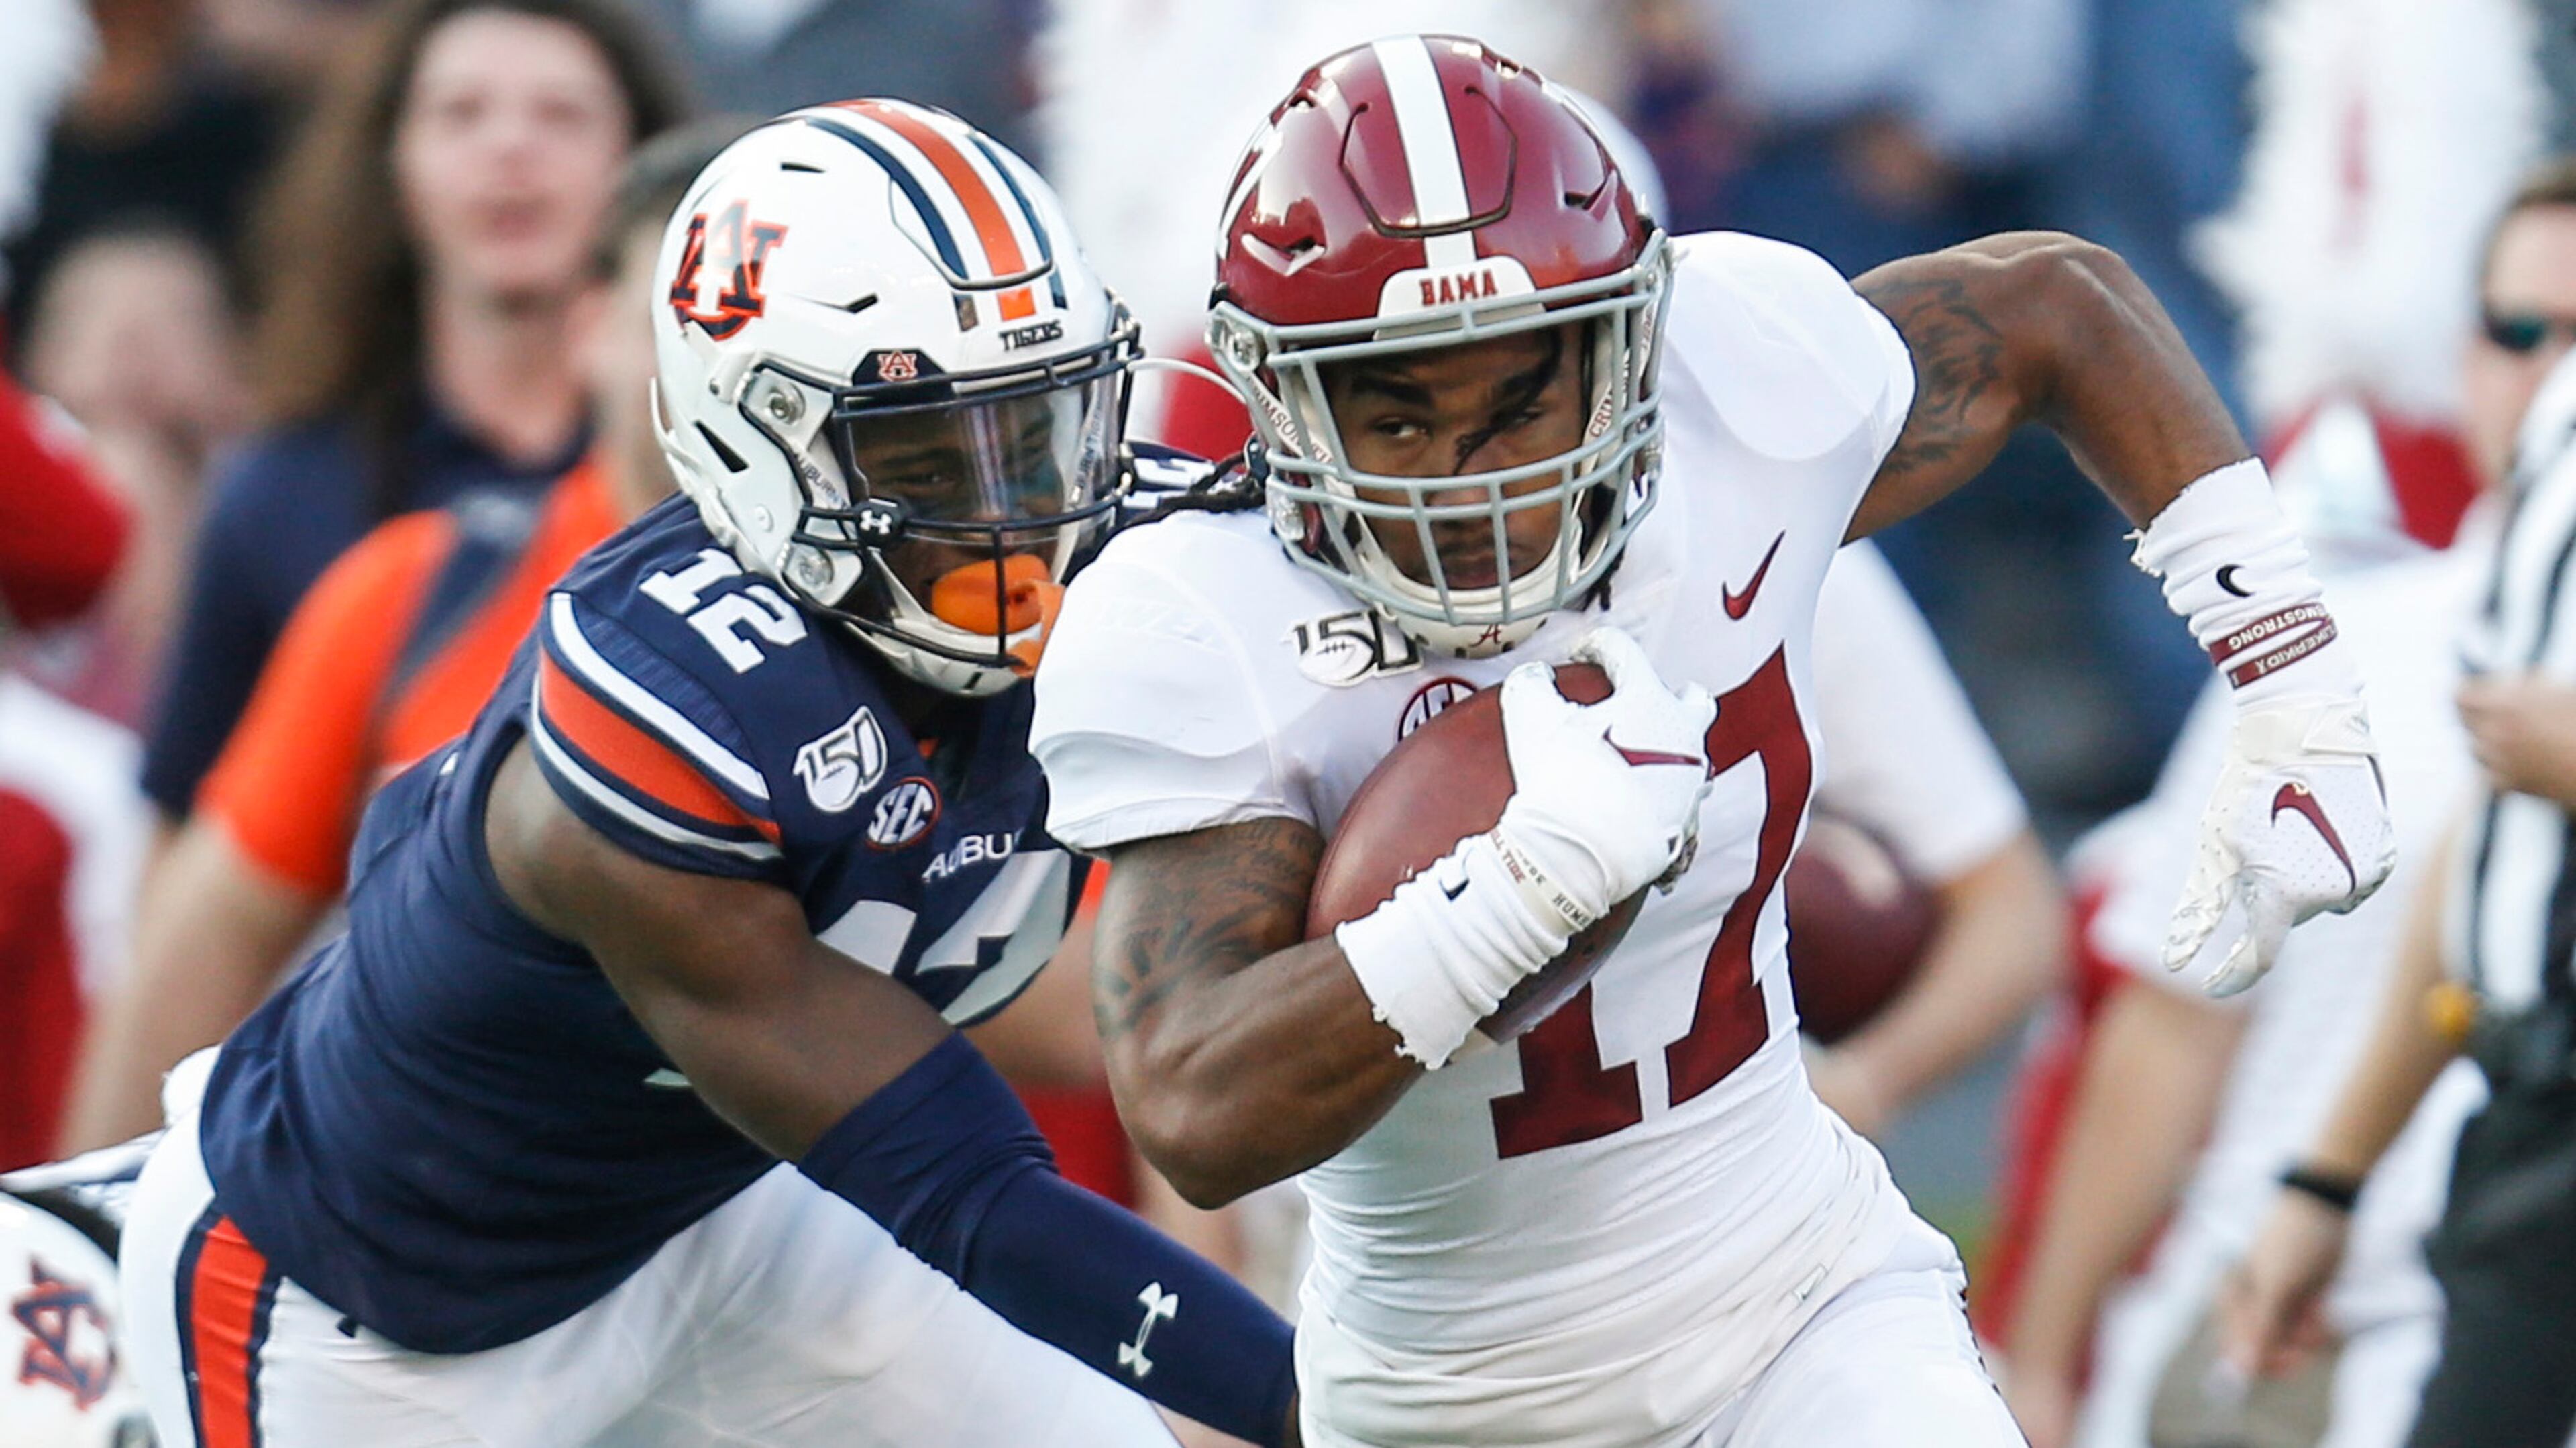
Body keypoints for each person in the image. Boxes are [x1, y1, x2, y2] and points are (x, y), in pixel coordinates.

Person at [1028, 35, 2394, 1448]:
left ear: (1624, 353)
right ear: (1283, 399)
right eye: (1396, 414)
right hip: (1454, 1401)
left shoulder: (1731, 392)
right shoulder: (1206, 613)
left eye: (1516, 403)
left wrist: (2288, 668)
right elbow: (1194, 1100)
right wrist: (1518, 891)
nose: (1469, 483)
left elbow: (2058, 302)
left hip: (1803, 1287)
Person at [114, 99, 1294, 1448]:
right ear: (759, 440)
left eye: (1035, 425)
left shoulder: (1143, 543)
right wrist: (1316, 1398)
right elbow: (969, 1192)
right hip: (373, 1307)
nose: (1013, 506)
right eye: (922, 450)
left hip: (716, 1206)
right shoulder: (660, 728)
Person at [1991, 158, 2576, 1448]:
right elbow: (2174, 1024)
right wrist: (2042, 1363)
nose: (2554, 384)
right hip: (2257, 1322)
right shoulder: (2326, 651)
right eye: (2521, 332)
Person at [54, 118, 747, 1157]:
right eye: (691, 314)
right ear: (592, 323)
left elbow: (1051, 999)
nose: (730, 366)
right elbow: (197, 952)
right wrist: (86, 1260)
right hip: (447, 1240)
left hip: (821, 1236)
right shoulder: (417, 587)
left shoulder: (940, 619)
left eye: (770, 326)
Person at [139, 0, 688, 832]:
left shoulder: (717, 479)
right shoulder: (280, 491)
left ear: (641, 165)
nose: (512, 147)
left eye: (562, 113)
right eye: (461, 113)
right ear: (390, 165)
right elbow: (182, 842)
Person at [2224, 308, 2576, 1444]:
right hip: (2531, 1112)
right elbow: (2498, 848)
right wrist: (2328, 1178)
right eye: (2515, 326)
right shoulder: (2560, 435)